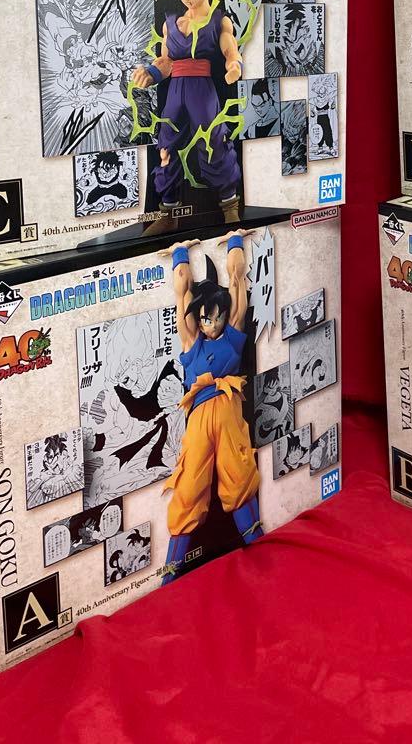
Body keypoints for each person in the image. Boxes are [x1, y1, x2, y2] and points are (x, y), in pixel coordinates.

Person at [133, 0, 245, 219]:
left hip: (202, 91)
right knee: (166, 145)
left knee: (213, 142)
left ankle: (230, 204)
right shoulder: (172, 23)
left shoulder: (218, 20)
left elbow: (229, 48)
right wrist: (152, 73)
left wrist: (233, 64)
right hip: (175, 92)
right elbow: (166, 61)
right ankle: (168, 209)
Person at [160, 233, 262, 583]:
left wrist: (235, 243)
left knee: (239, 475)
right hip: (201, 417)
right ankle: (171, 571)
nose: (212, 324)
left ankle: (259, 545)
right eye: (206, 319)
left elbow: (237, 282)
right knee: (190, 485)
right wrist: (179, 255)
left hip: (229, 410)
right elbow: (181, 296)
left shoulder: (232, 336)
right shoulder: (193, 344)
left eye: (216, 318)